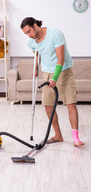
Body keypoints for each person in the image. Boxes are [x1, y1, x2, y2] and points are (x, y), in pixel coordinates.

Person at [20, 17, 84, 147]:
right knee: (48, 105)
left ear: (35, 25)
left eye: (29, 31)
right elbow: (37, 55)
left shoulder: (55, 33)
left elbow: (61, 59)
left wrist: (54, 78)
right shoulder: (32, 42)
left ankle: (76, 138)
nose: (29, 35)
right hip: (47, 72)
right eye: (26, 33)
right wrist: (37, 69)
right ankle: (58, 135)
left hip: (63, 71)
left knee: (70, 104)